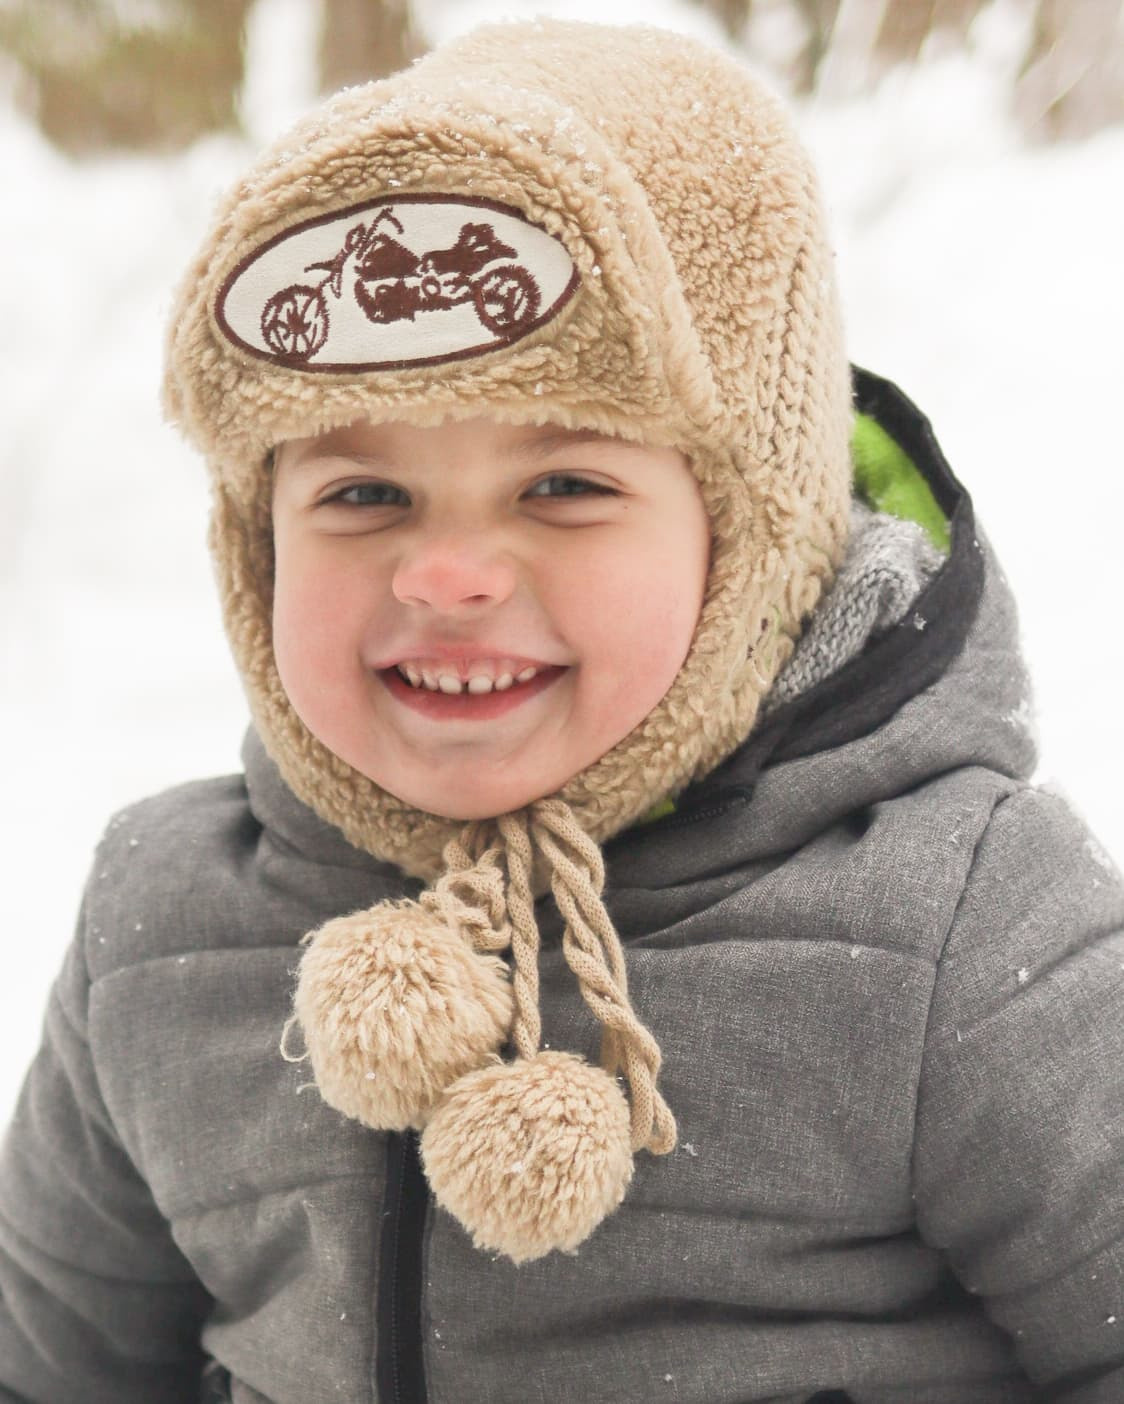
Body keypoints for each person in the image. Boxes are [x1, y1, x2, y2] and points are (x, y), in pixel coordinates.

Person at [1, 18, 1121, 1404]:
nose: (448, 572)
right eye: (361, 496)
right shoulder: (161, 932)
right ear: (257, 547)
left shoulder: (953, 932)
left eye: (566, 487)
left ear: (751, 535)